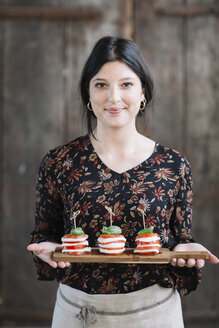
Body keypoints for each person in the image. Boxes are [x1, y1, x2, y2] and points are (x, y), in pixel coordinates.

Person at [27, 36, 218, 328]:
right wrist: (47, 251)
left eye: (126, 84)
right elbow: (43, 237)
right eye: (101, 85)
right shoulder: (58, 163)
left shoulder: (174, 166)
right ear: (88, 94)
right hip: (77, 314)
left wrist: (185, 253)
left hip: (155, 314)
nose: (113, 97)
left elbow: (181, 240)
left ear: (143, 92)